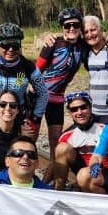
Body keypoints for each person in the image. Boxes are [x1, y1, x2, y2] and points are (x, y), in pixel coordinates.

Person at [0, 22, 48, 142]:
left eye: (15, 46)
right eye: (6, 45)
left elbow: (43, 93)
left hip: (17, 117)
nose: (10, 49)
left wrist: (35, 117)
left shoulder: (26, 67)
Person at [37, 8, 88, 155]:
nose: (71, 28)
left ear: (80, 27)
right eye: (67, 25)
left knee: (55, 140)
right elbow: (35, 70)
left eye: (76, 25)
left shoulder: (83, 47)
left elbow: (97, 42)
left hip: (57, 100)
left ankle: (54, 176)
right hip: (39, 97)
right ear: (62, 27)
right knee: (29, 137)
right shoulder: (53, 44)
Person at [52, 91, 104, 191]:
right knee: (62, 148)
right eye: (74, 109)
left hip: (105, 174)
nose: (79, 112)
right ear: (70, 113)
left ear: (90, 107)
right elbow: (56, 162)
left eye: (83, 107)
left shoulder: (105, 128)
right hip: (82, 173)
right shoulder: (66, 136)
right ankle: (59, 191)